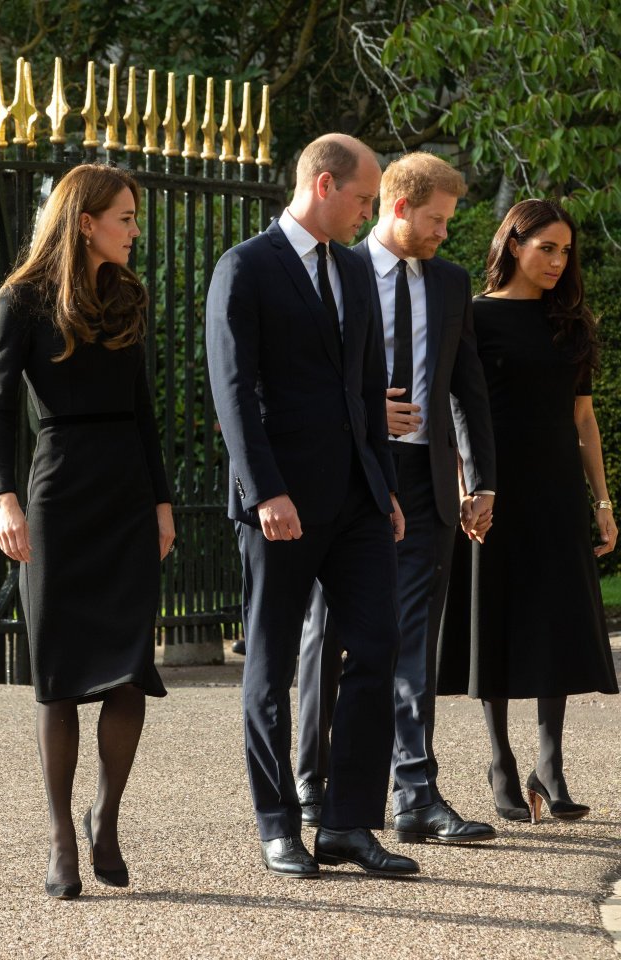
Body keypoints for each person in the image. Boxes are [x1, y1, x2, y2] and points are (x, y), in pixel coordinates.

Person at [206, 133, 419, 879]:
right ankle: (277, 824)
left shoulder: (357, 272)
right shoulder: (245, 267)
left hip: (358, 498)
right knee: (269, 667)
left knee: (379, 643)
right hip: (281, 501)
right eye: (363, 199)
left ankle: (348, 823)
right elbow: (233, 395)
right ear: (325, 186)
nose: (368, 214)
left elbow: (368, 388)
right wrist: (266, 490)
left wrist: (385, 486)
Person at [295, 152, 499, 845]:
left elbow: (467, 390)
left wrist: (482, 479)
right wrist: (362, 416)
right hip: (352, 477)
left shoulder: (450, 283)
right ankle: (311, 787)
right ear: (399, 207)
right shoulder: (338, 271)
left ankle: (415, 794)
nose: (446, 232)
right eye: (437, 219)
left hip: (428, 483)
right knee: (328, 633)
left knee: (415, 640)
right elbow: (309, 379)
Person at [0, 164, 175, 899]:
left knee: (131, 666)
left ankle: (108, 819)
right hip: (59, 491)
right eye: (124, 217)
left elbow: (145, 408)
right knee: (59, 675)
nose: (134, 229)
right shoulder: (23, 297)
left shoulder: (129, 294)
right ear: (86, 220)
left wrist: (162, 502)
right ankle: (62, 837)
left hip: (127, 493)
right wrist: (4, 497)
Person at [437, 198, 618, 824]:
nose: (558, 261)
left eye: (566, 251)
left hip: (556, 490)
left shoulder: (571, 322)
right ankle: (501, 762)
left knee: (556, 621)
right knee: (495, 617)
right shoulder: (474, 317)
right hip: (493, 489)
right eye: (547, 248)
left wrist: (602, 501)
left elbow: (583, 418)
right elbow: (456, 409)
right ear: (513, 244)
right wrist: (467, 485)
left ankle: (550, 765)